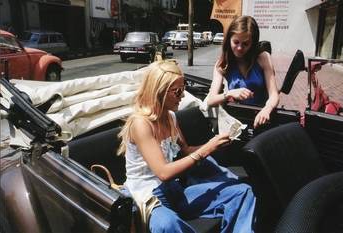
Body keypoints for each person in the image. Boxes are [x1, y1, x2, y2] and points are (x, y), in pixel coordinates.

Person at [118, 60, 256, 233]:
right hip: (149, 198)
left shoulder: (170, 117)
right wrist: (207, 149)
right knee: (168, 225)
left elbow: (186, 151)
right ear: (158, 92)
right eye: (177, 91)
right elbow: (163, 172)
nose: (183, 96)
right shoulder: (141, 124)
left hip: (174, 191)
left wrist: (215, 144)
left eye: (183, 89)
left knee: (242, 192)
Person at [207, 15, 279, 128]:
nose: (240, 48)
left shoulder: (263, 58)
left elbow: (274, 94)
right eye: (236, 42)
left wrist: (267, 109)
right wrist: (229, 93)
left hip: (262, 117)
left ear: (253, 43)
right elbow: (211, 100)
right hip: (237, 120)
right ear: (229, 39)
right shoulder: (222, 64)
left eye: (245, 44)